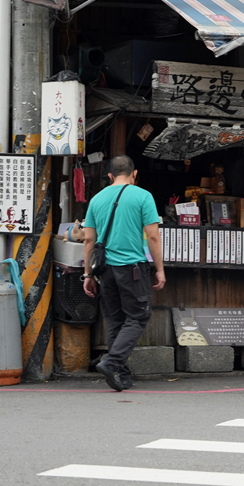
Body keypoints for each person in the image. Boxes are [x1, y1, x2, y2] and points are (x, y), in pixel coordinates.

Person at [82, 155, 166, 391]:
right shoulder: (143, 196)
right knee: (138, 317)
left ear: (109, 176)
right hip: (132, 269)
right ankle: (112, 362)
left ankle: (122, 374)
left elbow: (89, 240)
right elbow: (152, 236)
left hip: (105, 270)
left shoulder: (97, 199)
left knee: (116, 320)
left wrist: (88, 275)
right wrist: (159, 269)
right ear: (134, 173)